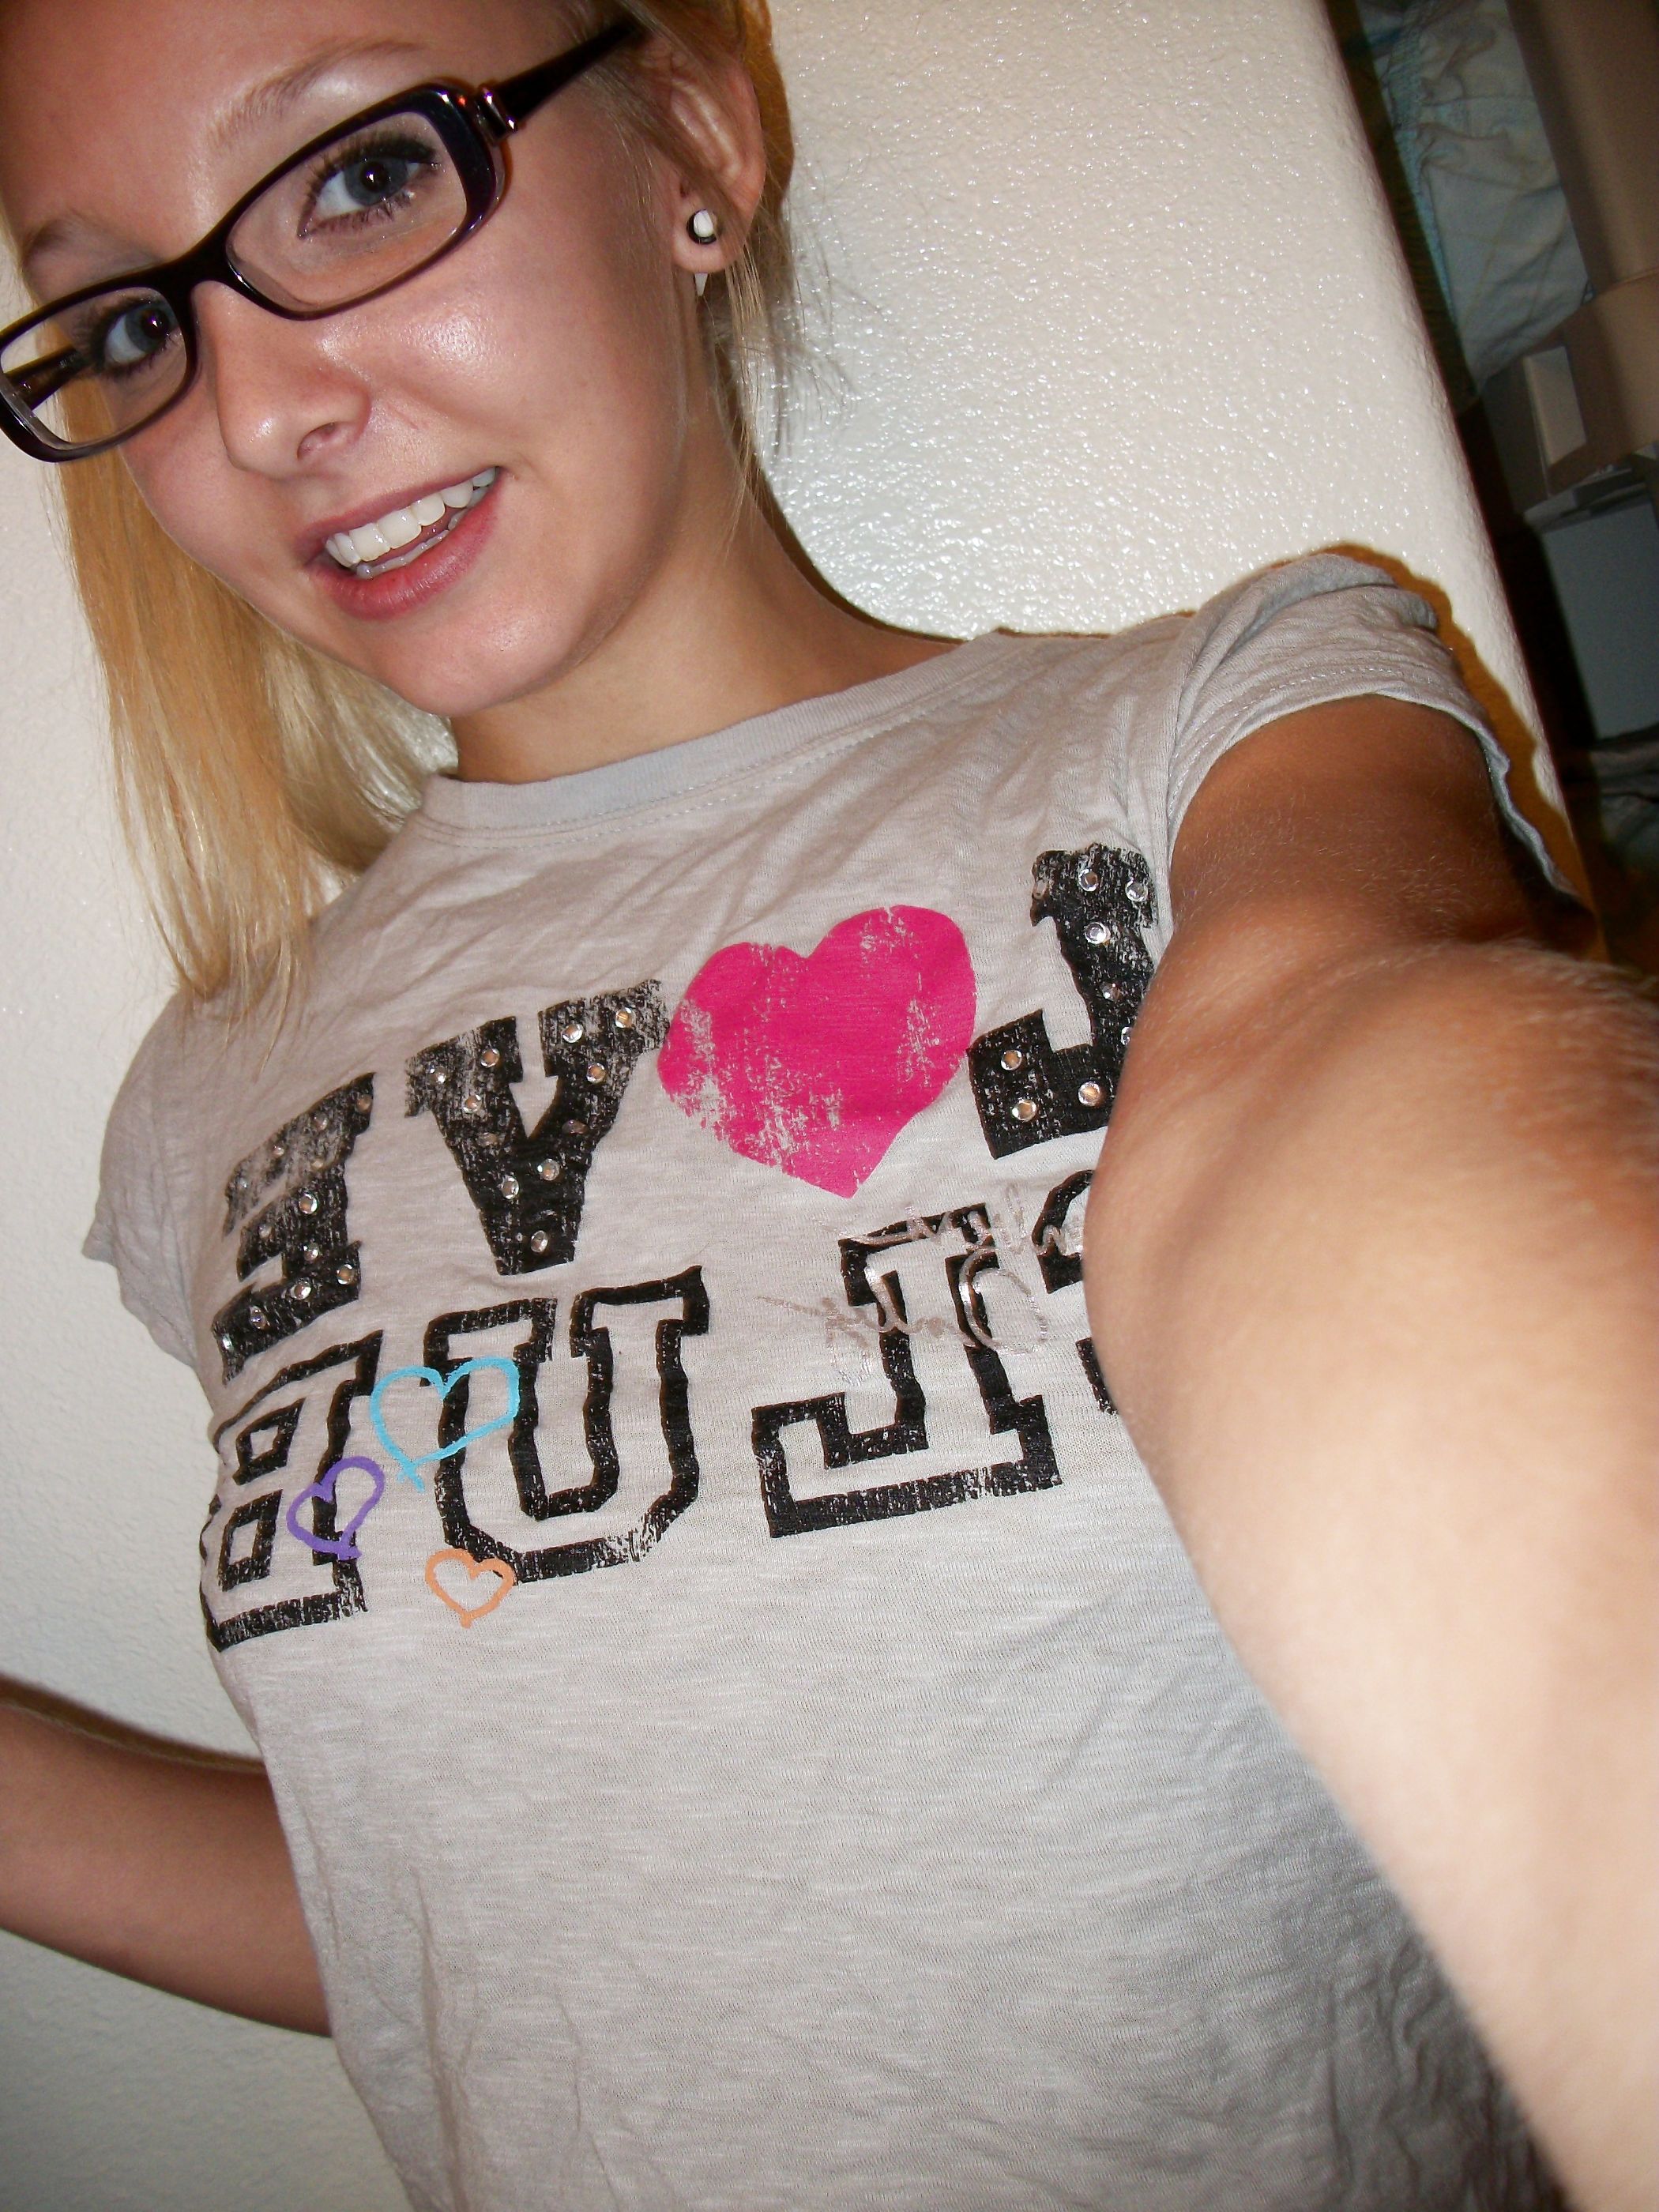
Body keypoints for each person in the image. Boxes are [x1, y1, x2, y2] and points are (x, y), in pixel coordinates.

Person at [0, 2, 1652, 2208]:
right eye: (133, 319)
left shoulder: (1235, 727)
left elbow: (1347, 1060)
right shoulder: (211, 1107)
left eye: (363, 178)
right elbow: (475, 1912)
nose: (265, 410)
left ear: (691, 139)